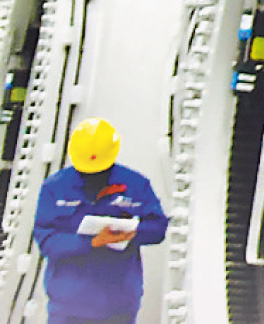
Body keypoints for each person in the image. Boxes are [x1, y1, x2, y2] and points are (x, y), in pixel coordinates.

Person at [33, 119, 165, 324]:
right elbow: (46, 240)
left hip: (118, 306)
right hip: (68, 308)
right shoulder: (55, 188)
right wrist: (91, 242)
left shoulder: (135, 185)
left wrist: (133, 232)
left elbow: (158, 228)